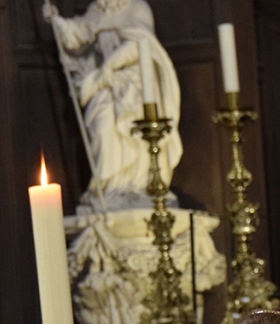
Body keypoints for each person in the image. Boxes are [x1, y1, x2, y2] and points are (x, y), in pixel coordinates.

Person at [43, 0, 183, 211]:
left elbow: (139, 45)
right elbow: (78, 36)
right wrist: (56, 20)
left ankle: (137, 186)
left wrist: (107, 69)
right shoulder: (97, 11)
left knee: (134, 127)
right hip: (107, 84)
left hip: (136, 84)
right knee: (102, 126)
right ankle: (110, 187)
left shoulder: (137, 8)